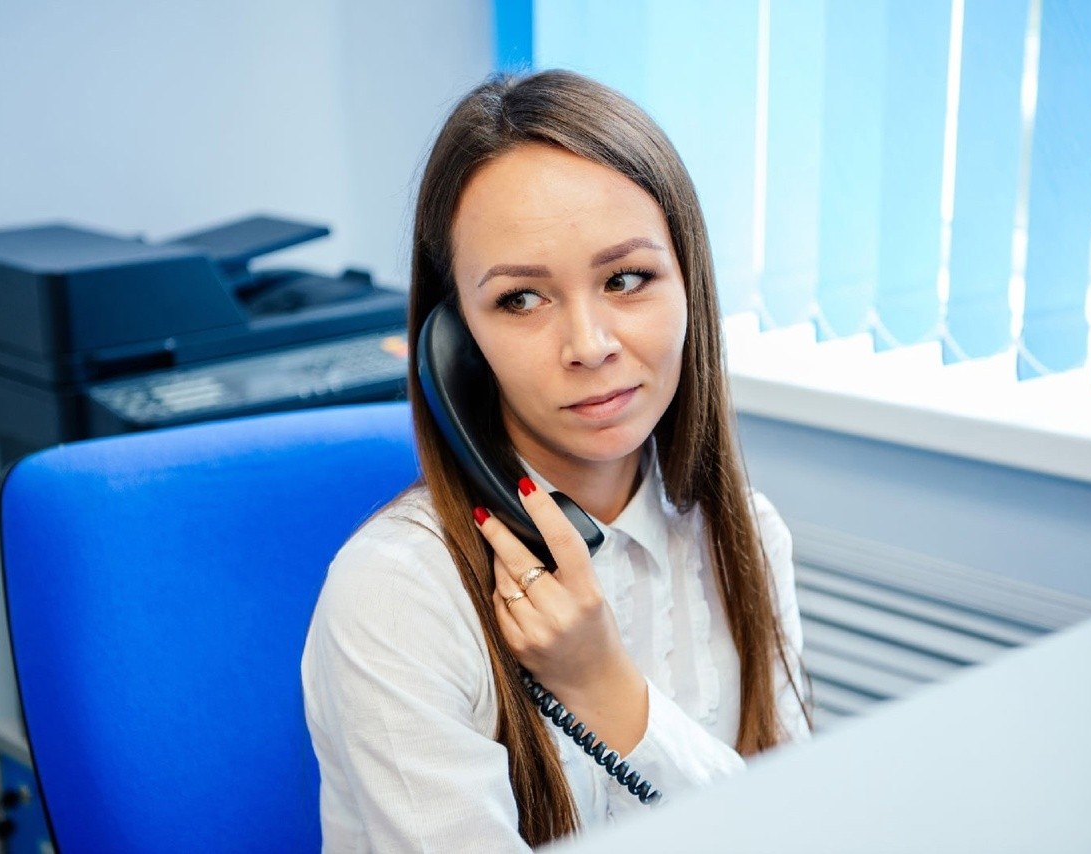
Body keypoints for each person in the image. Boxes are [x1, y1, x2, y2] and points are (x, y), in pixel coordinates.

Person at [301, 69, 811, 850]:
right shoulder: (399, 597)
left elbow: (795, 829)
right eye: (522, 299)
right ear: (457, 340)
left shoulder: (741, 532)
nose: (591, 345)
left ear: (689, 286)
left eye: (627, 279)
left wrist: (607, 690)